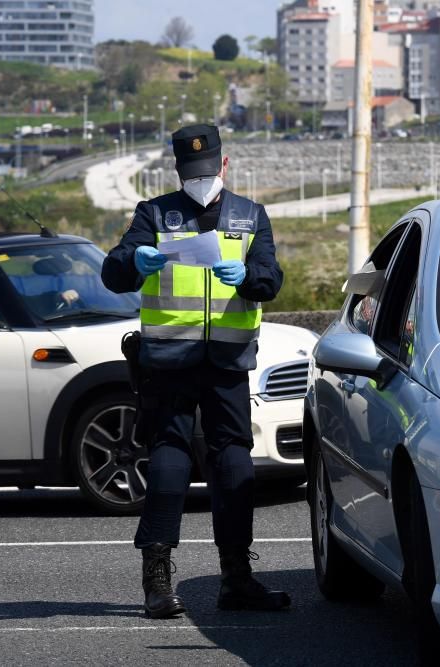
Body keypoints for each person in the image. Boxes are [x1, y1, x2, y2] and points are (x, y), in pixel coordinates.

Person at [101, 124, 288, 619]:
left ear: (224, 165)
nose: (201, 180)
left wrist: (249, 277)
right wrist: (134, 260)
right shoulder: (154, 213)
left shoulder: (251, 215)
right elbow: (114, 271)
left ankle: (237, 578)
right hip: (168, 361)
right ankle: (157, 581)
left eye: (207, 172)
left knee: (234, 466)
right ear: (178, 171)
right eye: (192, 174)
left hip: (227, 362)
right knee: (169, 463)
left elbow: (271, 279)